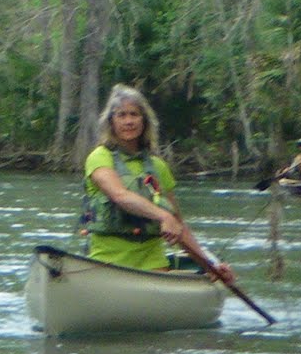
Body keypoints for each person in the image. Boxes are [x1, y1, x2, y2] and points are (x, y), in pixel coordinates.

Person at [81, 84, 234, 283]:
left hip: (153, 265)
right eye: (122, 115)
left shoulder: (158, 167)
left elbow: (177, 224)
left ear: (144, 121)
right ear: (111, 122)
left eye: (134, 115)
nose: (128, 121)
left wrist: (209, 265)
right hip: (106, 261)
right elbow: (119, 195)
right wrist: (163, 215)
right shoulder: (99, 157)